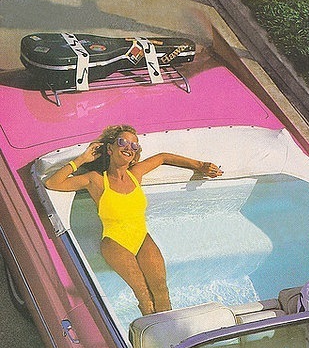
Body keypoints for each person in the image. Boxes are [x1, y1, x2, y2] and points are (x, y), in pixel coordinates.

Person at [45, 124, 222, 315]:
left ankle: (168, 330)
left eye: (134, 145)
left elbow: (163, 157)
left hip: (142, 238)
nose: (129, 147)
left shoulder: (135, 174)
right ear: (110, 148)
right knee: (144, 296)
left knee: (162, 293)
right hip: (114, 242)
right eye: (123, 142)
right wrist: (82, 159)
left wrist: (200, 165)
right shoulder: (96, 180)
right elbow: (52, 183)